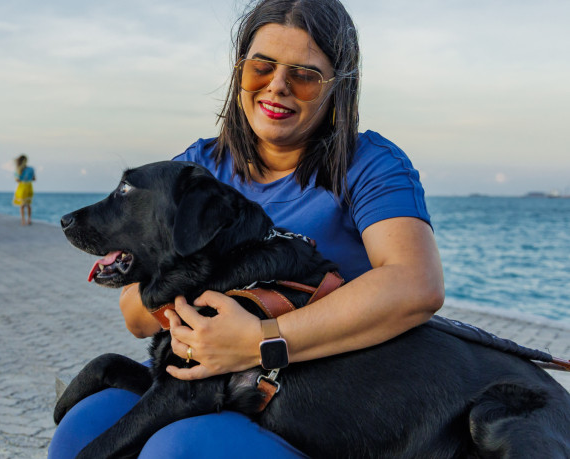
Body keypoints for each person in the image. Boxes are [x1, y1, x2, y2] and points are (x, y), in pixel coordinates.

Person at [48, 0, 445, 457]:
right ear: (240, 72)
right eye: (261, 67)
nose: (278, 86)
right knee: (79, 431)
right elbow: (137, 317)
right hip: (198, 373)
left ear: (336, 87)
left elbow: (416, 285)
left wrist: (258, 340)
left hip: (314, 395)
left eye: (304, 75)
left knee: (178, 449)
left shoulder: (370, 163)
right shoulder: (197, 166)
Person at [12, 155, 36, 225]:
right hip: (27, 186)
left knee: (23, 205)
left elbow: (17, 180)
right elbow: (34, 178)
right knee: (27, 204)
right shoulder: (30, 169)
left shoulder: (19, 169)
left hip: (22, 186)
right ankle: (28, 219)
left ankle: (24, 220)